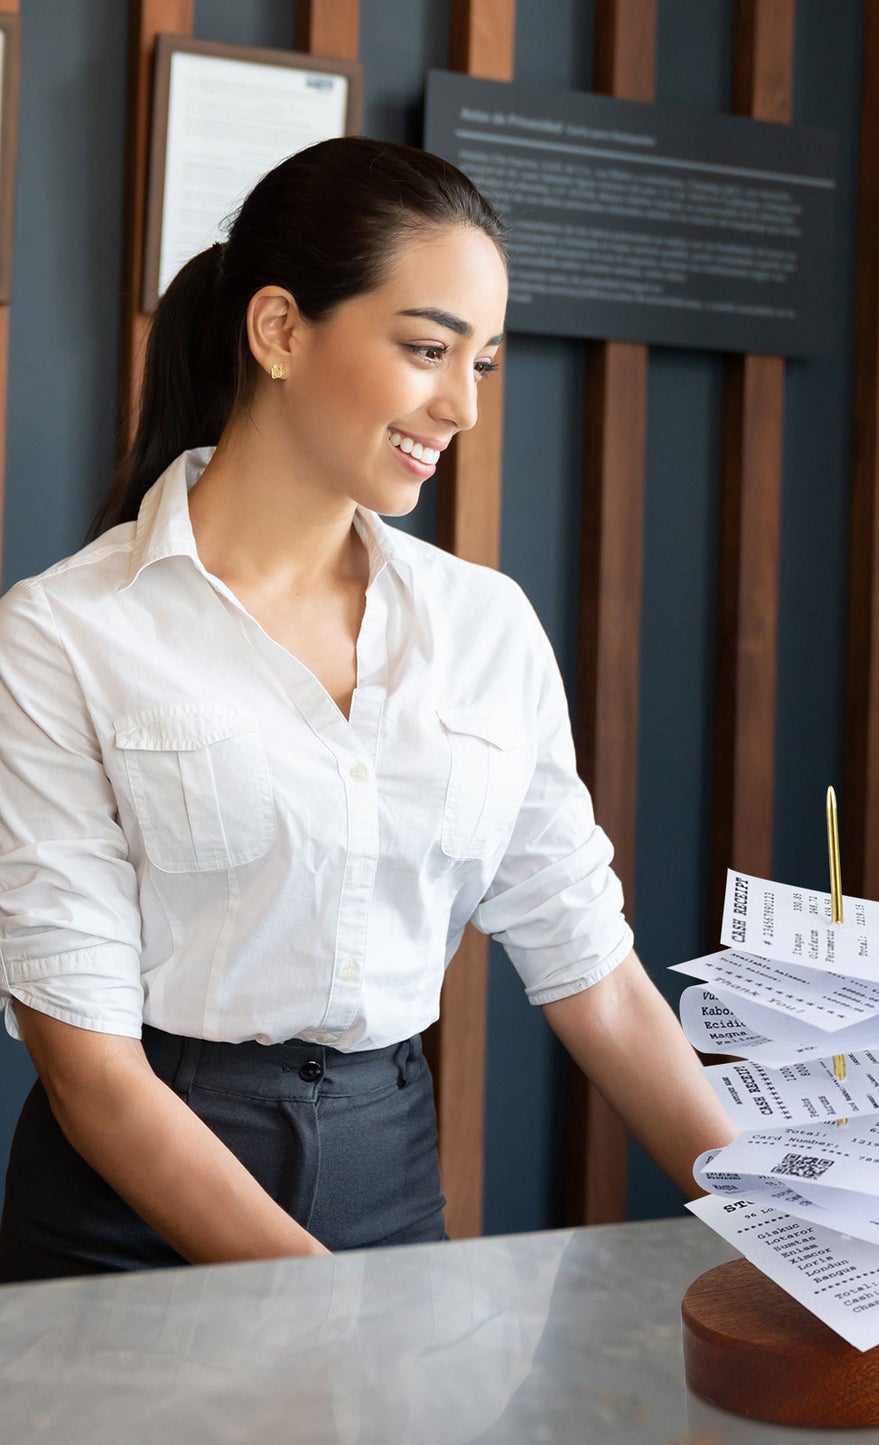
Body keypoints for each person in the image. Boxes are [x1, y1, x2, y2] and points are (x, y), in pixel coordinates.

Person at [0, 137, 734, 1281]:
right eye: (427, 348)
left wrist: (797, 1230)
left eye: (483, 363)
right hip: (126, 1215)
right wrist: (329, 1312)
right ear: (280, 329)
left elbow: (600, 980)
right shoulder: (67, 632)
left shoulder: (483, 628)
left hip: (386, 1183)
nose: (462, 405)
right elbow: (89, 1068)